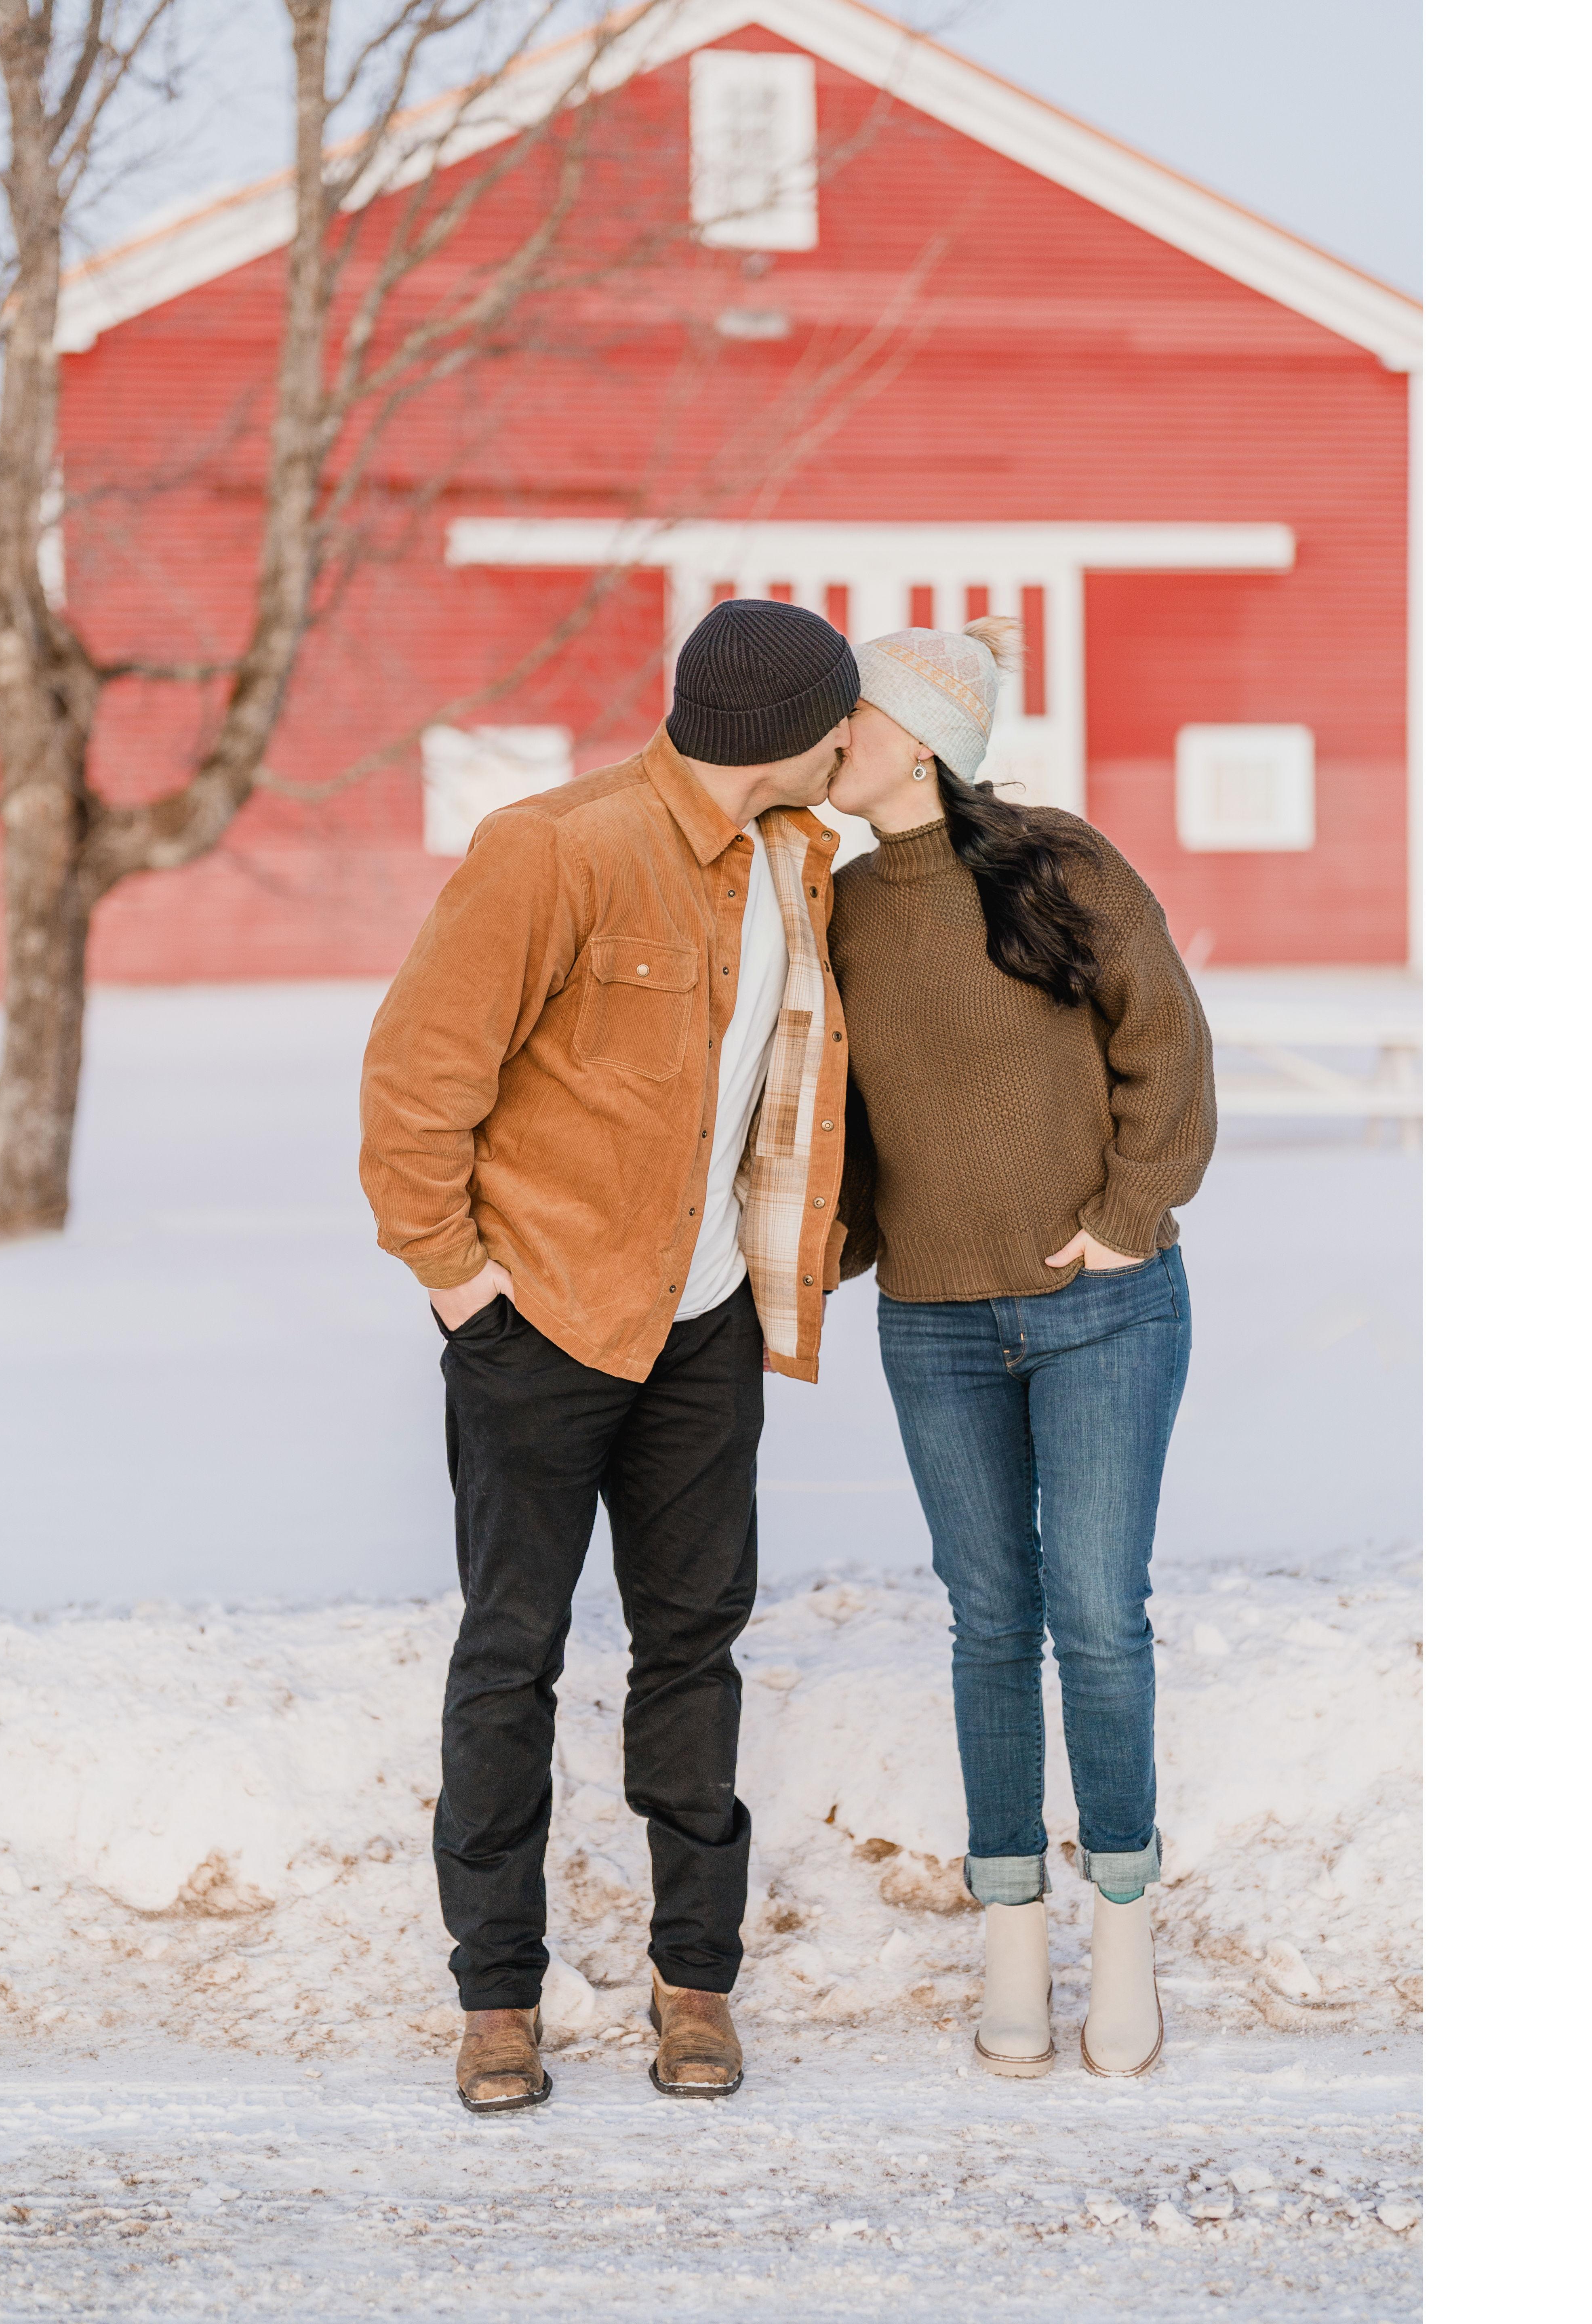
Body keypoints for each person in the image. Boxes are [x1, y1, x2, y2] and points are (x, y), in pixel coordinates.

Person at [358, 598, 859, 2112]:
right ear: (787, 730)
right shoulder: (553, 849)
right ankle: (495, 1998)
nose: (850, 739)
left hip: (705, 1332)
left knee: (692, 1650)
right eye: (838, 716)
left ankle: (693, 1982)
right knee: (509, 1654)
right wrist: (462, 1287)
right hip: (543, 1326)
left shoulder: (795, 860)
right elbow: (415, 1085)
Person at [824, 616, 1215, 2080]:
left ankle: (1121, 1926)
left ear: (917, 742)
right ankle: (1008, 1933)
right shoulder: (837, 905)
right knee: (987, 1620)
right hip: (931, 1319)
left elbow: (1165, 1042)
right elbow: (837, 1112)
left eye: (851, 716)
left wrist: (1126, 1215)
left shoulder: (1061, 865)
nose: (830, 738)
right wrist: (821, 1250)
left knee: (1097, 1615)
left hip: (1102, 1306)